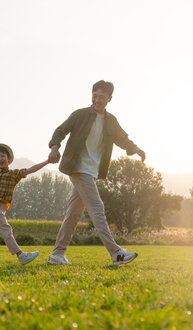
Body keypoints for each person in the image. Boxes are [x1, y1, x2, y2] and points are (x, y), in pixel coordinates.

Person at [47, 80, 146, 266]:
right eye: (95, 95)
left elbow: (123, 139)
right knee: (97, 207)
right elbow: (60, 130)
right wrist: (54, 147)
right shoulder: (80, 114)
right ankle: (116, 253)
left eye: (102, 97)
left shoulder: (110, 121)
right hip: (77, 167)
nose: (97, 99)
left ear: (109, 99)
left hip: (91, 170)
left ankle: (57, 254)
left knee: (73, 214)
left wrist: (136, 149)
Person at [0, 143, 47, 265]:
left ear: (8, 158)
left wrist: (47, 162)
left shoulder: (14, 174)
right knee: (5, 228)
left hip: (2, 207)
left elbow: (31, 169)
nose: (0, 159)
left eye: (2, 156)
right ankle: (21, 255)